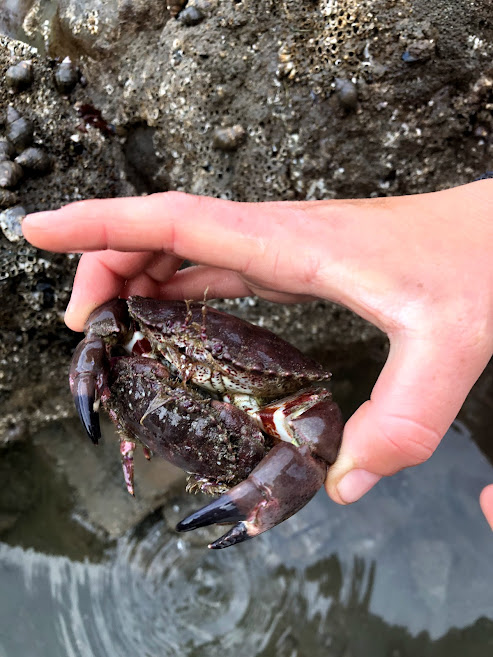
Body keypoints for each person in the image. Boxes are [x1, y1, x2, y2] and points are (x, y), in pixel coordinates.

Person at [22, 180, 493, 529]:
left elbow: (314, 443)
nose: (202, 360)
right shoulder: (142, 321)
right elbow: (103, 323)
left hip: (258, 395)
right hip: (166, 333)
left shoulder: (293, 401)